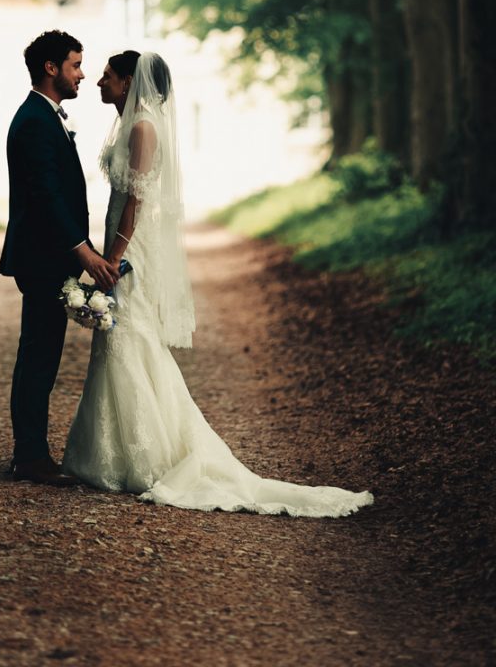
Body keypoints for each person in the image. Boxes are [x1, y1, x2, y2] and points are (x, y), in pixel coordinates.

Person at [63, 50, 374, 516]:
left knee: (131, 335)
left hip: (132, 248)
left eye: (107, 75)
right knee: (124, 336)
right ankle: (111, 451)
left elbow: (137, 201)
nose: (98, 81)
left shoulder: (144, 127)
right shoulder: (132, 124)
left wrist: (114, 258)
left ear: (129, 82)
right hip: (120, 239)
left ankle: (145, 456)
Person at [0, 30, 118, 487]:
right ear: (51, 68)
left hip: (49, 256)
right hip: (43, 257)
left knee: (41, 353)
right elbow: (45, 196)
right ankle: (29, 456)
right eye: (75, 65)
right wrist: (82, 251)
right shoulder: (33, 121)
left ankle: (30, 452)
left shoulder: (44, 117)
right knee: (38, 355)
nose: (82, 74)